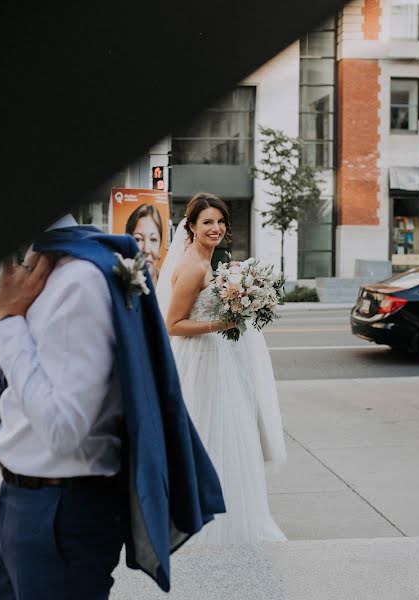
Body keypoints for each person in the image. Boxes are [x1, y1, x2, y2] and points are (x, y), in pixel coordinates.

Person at [0, 213, 224, 599]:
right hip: (24, 501)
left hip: (59, 514)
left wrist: (6, 324)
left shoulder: (78, 277)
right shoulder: (44, 262)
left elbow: (62, 429)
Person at [155, 192, 287, 545]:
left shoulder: (208, 261)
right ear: (193, 227)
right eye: (207, 222)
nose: (215, 228)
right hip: (199, 360)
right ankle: (199, 523)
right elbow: (173, 324)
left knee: (227, 434)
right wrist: (222, 324)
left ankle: (220, 514)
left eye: (220, 221)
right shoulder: (193, 266)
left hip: (217, 359)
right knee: (207, 432)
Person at [124, 203, 163, 286]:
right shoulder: (117, 290)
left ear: (160, 249)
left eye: (153, 240)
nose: (146, 250)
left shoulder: (172, 291)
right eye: (138, 239)